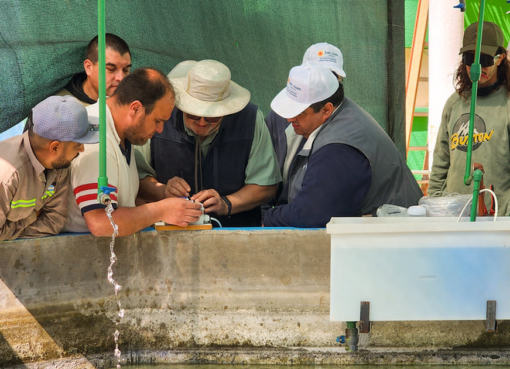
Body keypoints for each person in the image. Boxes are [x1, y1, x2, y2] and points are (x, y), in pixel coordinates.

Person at [264, 65, 422, 227]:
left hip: (395, 239)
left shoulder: (338, 146)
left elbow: (311, 213)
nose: (290, 119)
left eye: (300, 113)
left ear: (326, 109)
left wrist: (268, 217)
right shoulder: (342, 114)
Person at [135, 60, 281, 227]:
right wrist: (163, 190)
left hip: (236, 237)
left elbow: (266, 185)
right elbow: (137, 179)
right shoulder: (160, 117)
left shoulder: (250, 119)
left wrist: (226, 204)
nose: (202, 123)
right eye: (193, 115)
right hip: (170, 235)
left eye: (213, 117)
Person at [63, 68, 202, 237]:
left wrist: (163, 193)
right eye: (157, 121)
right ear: (135, 108)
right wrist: (161, 210)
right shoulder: (97, 142)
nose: (160, 130)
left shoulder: (122, 130)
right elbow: (101, 223)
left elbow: (122, 194)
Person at [429, 21, 510, 216]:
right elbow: (441, 162)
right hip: (454, 219)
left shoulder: (506, 104)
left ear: (500, 58)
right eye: (469, 58)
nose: (476, 65)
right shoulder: (454, 103)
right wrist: (433, 205)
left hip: (498, 221)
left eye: (485, 59)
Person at [0, 96, 99, 240]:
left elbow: (54, 221)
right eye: (77, 145)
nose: (82, 149)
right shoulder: (7, 176)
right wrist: (34, 216)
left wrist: (14, 229)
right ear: (55, 147)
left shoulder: (59, 165)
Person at [265, 42, 346, 171]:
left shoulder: (345, 125)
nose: (324, 81)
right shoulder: (278, 116)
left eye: (331, 75)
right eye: (316, 74)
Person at [55, 33, 132, 106]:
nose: (121, 78)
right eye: (111, 69)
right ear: (88, 67)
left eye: (125, 70)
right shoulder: (63, 108)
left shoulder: (133, 104)